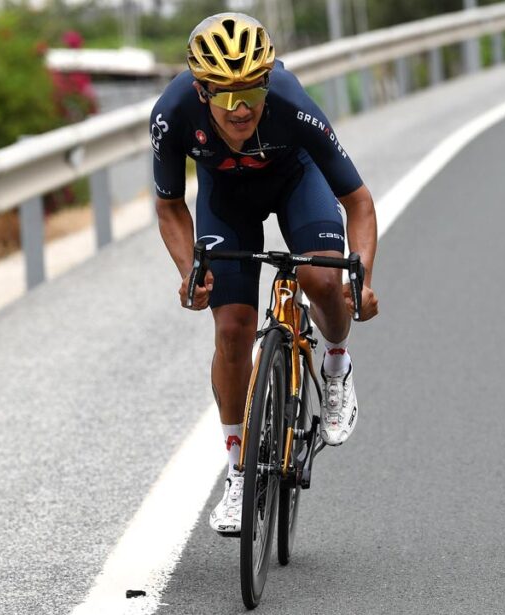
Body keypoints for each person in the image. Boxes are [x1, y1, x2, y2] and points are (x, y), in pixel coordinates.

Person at [150, 13, 379, 535]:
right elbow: (169, 206)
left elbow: (359, 201)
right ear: (202, 90)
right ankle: (238, 472)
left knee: (322, 280)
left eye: (252, 91)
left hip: (297, 182)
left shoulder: (291, 103)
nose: (242, 109)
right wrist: (190, 272)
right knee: (231, 328)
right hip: (226, 201)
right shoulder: (172, 113)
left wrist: (361, 279)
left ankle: (336, 365)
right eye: (227, 95)